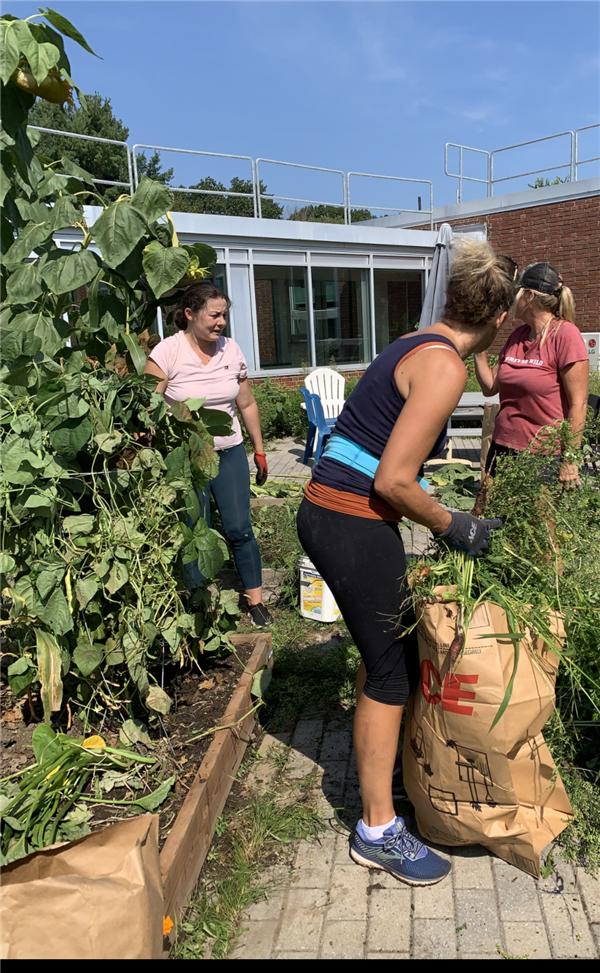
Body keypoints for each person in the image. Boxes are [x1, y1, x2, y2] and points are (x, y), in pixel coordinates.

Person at [297, 239, 513, 887]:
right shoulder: (445, 367)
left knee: (379, 648)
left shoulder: (413, 342)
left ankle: (380, 765)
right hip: (351, 519)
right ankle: (377, 828)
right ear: (498, 318)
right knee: (393, 671)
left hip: (333, 509)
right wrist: (457, 524)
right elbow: (394, 478)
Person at [144, 281, 273, 627]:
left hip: (228, 453)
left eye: (224, 316)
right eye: (214, 315)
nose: (220, 323)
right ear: (190, 314)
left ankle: (255, 600)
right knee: (193, 528)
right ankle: (196, 604)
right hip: (185, 458)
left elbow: (245, 402)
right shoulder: (168, 352)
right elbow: (148, 406)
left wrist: (259, 450)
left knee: (239, 528)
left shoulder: (230, 349)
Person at [474, 262, 589, 489]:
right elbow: (490, 387)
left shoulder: (565, 335)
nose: (512, 298)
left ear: (529, 295)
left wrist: (570, 460)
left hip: (543, 455)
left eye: (516, 292)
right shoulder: (518, 335)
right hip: (501, 446)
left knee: (539, 524)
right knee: (492, 515)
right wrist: (479, 344)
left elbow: (579, 404)